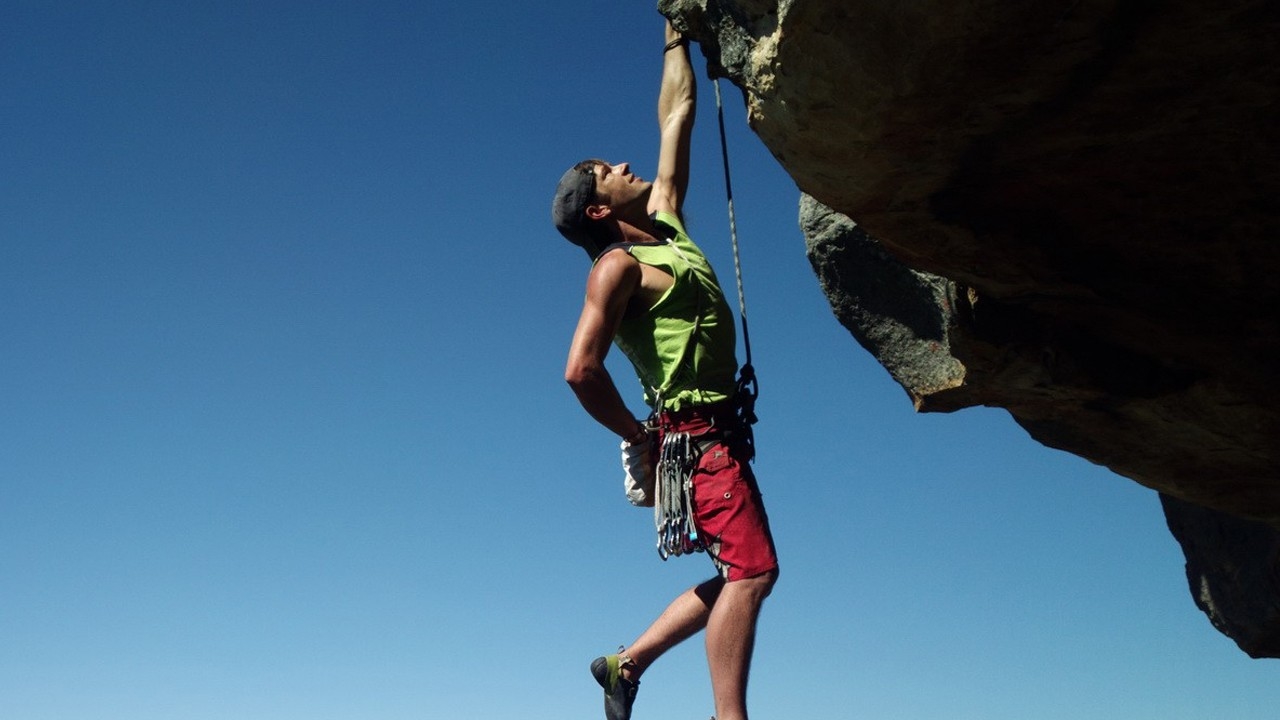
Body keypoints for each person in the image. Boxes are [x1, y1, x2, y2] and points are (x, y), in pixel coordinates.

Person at [550, 19, 779, 720]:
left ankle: (627, 663)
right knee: (752, 572)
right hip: (694, 438)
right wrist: (637, 433)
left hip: (718, 436)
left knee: (745, 571)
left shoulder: (667, 225)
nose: (624, 166)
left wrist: (674, 31)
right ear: (596, 207)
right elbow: (580, 371)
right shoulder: (616, 268)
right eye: (606, 172)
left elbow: (676, 113)